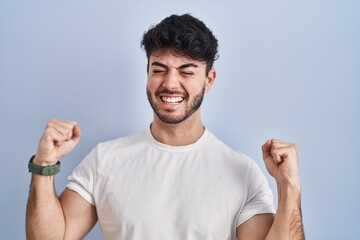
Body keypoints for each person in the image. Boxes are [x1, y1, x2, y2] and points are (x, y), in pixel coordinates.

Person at [26, 14, 304, 240]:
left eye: (186, 71)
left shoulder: (242, 173)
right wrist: (44, 165)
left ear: (209, 80)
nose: (170, 83)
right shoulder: (105, 160)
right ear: (147, 73)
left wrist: (289, 188)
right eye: (159, 69)